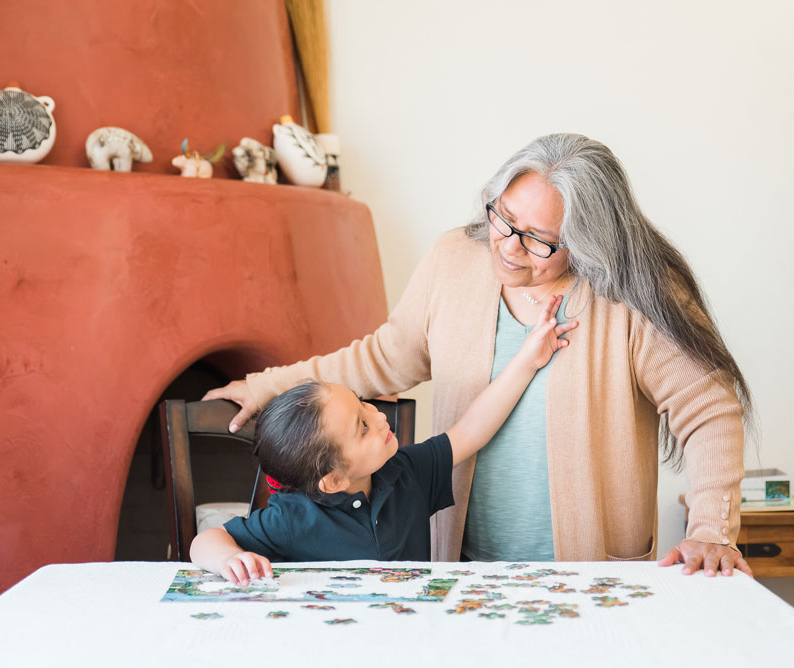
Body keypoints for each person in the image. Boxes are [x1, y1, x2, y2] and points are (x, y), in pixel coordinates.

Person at [204, 133, 753, 577]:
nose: (508, 247)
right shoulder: (452, 260)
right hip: (465, 574)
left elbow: (709, 412)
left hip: (588, 575)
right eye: (503, 218)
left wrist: (709, 530)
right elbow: (380, 358)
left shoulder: (636, 291)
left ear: (590, 242)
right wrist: (268, 385)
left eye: (539, 239)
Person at [192, 297, 577, 585]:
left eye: (362, 405)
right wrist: (228, 560)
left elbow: (471, 430)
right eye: (361, 426)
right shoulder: (292, 517)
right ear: (333, 481)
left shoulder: (406, 472)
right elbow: (205, 541)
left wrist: (529, 358)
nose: (378, 416)